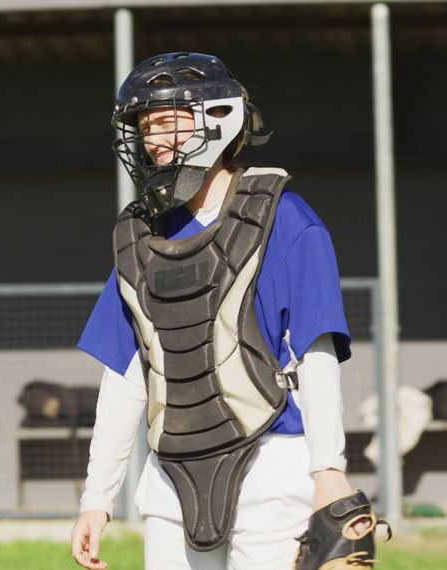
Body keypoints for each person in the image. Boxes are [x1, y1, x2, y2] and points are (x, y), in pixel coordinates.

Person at [70, 52, 379, 570]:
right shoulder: (141, 237)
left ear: (220, 119)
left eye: (170, 121)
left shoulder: (285, 218)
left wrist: (329, 471)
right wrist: (96, 499)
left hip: (273, 468)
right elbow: (125, 375)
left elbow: (316, 352)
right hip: (171, 480)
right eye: (147, 127)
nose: (155, 139)